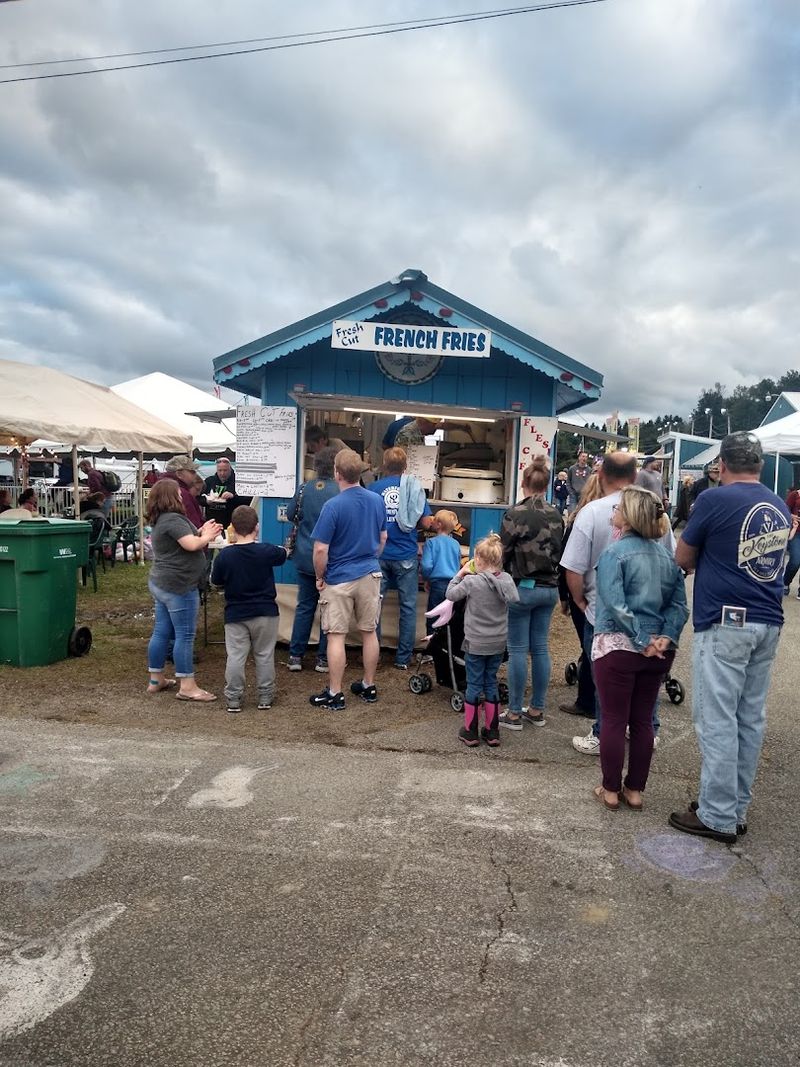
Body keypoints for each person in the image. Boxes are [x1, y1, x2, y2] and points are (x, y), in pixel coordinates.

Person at [669, 432, 792, 845]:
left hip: (725, 621)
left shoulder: (713, 499)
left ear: (721, 465)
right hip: (767, 620)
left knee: (717, 719)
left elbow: (682, 557)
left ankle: (718, 815)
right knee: (748, 719)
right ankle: (735, 807)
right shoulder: (775, 504)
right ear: (758, 464)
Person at [560, 452, 675, 755]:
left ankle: (603, 733)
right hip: (650, 610)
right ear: (635, 476)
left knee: (605, 678)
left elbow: (573, 566)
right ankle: (647, 730)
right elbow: (673, 562)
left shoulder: (590, 512)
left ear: (599, 476)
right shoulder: (654, 510)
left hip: (602, 613)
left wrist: (579, 600)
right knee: (646, 681)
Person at [591, 486, 689, 811]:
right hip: (659, 651)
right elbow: (679, 606)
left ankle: (609, 789)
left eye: (618, 508)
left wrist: (639, 638)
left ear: (630, 515)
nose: (612, 513)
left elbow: (615, 604)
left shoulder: (614, 553)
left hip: (619, 646)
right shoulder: (667, 557)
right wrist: (664, 636)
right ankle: (635, 791)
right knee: (643, 720)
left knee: (614, 718)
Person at [309, 448, 387, 710]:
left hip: (340, 577)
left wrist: (321, 576)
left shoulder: (332, 506)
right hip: (370, 572)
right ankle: (368, 684)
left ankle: (335, 692)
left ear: (337, 473)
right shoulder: (377, 500)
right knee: (369, 632)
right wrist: (370, 558)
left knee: (336, 636)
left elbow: (321, 549)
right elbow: (383, 538)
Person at [498, 456, 564, 730]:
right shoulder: (557, 514)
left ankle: (513, 712)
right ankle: (537, 708)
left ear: (523, 483)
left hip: (522, 589)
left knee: (516, 650)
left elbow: (502, 551)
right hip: (549, 589)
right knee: (540, 648)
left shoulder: (515, 513)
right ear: (547, 485)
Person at [145, 479, 222, 702]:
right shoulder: (172, 519)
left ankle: (156, 678)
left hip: (162, 583)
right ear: (171, 496)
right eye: (178, 493)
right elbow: (191, 545)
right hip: (179, 586)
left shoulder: (163, 519)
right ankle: (187, 686)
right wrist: (206, 536)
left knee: (161, 631)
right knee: (185, 635)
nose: (181, 496)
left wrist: (202, 531)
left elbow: (184, 540)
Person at [210, 505, 287, 714]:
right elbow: (284, 554)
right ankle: (265, 695)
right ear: (257, 527)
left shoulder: (225, 556)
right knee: (264, 654)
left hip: (236, 613)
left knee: (235, 655)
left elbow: (215, 581)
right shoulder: (267, 551)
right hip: (265, 612)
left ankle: (233, 698)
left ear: (233, 527)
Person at [445, 534, 519, 748]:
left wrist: (460, 573)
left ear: (477, 559)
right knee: (491, 682)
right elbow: (514, 598)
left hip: (476, 642)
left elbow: (450, 594)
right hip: (497, 642)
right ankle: (493, 730)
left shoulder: (471, 582)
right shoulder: (506, 581)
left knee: (474, 684)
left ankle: (470, 731)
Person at [368, 446, 432, 670]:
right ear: (406, 466)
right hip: (406, 555)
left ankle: (372, 655)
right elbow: (425, 523)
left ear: (385, 466)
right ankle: (403, 659)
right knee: (408, 606)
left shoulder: (374, 488)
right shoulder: (414, 488)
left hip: (379, 554)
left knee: (375, 605)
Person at [286, 446, 340, 672]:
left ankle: (296, 656)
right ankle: (323, 659)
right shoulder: (341, 491)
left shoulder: (303, 489)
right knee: (329, 609)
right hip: (332, 559)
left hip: (305, 556)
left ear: (316, 466)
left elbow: (291, 515)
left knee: (304, 607)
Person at [558, 472, 604, 719]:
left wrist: (566, 596)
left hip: (584, 594)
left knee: (589, 649)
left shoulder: (581, 518)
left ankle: (588, 700)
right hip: (605, 594)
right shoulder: (618, 517)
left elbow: (567, 562)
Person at [420, 509, 461, 630]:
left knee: (433, 619)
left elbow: (427, 565)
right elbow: (458, 564)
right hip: (454, 585)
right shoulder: (456, 544)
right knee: (448, 619)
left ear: (439, 524)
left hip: (437, 585)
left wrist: (427, 578)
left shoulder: (431, 543)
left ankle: (431, 644)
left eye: (434, 520)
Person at [161, 455, 206, 528]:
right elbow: (193, 523)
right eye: (192, 471)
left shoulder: (160, 487)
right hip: (184, 536)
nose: (195, 474)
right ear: (179, 474)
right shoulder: (181, 493)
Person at [203, 457, 237, 526]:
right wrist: (206, 501)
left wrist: (233, 496)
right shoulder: (209, 481)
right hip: (212, 521)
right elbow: (198, 497)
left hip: (231, 521)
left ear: (230, 469)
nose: (222, 473)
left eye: (225, 470)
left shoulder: (237, 482)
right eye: (220, 470)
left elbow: (247, 499)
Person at [782, 484, 800, 596]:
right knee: (795, 561)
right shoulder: (795, 495)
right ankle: (785, 582)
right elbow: (784, 510)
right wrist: (791, 516)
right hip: (796, 532)